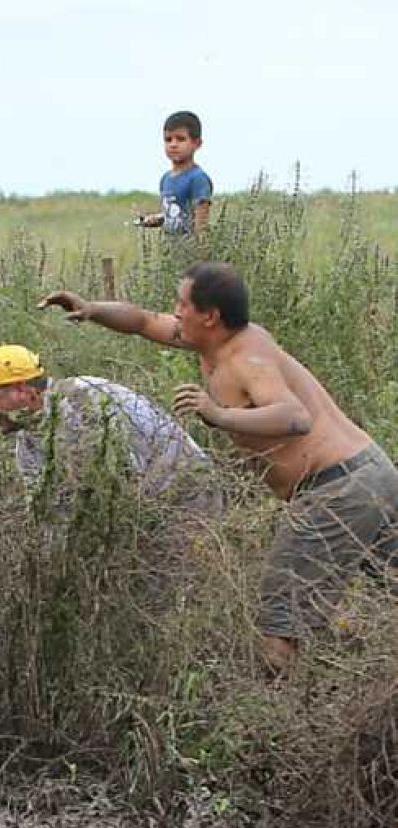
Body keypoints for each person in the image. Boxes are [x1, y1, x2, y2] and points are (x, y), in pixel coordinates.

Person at [39, 262, 398, 672]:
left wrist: (218, 415)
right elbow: (143, 320)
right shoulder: (212, 341)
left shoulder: (247, 358)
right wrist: (91, 309)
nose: (174, 311)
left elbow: (295, 418)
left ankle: (274, 722)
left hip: (337, 489)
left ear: (210, 316)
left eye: (183, 303)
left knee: (279, 622)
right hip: (372, 473)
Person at [0, 344, 219, 514]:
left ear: (22, 389)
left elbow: (122, 489)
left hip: (186, 496)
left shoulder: (84, 401)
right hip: (147, 509)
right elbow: (46, 509)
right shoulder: (28, 441)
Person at [135, 110, 213, 238]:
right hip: (170, 250)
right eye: (168, 139)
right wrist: (155, 219)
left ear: (197, 143)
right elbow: (173, 215)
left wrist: (200, 253)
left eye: (181, 139)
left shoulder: (197, 178)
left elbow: (201, 224)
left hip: (190, 252)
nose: (173, 145)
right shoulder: (165, 179)